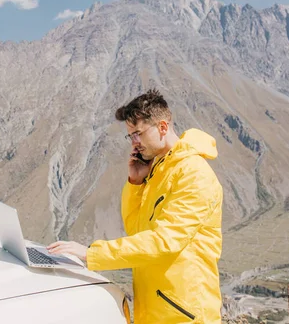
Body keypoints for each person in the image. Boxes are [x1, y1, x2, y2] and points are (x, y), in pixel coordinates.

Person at [47, 89, 223, 323]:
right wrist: (136, 183)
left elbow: (164, 241)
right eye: (130, 136)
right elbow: (136, 229)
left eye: (138, 133)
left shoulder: (193, 174)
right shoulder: (160, 169)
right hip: (155, 309)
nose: (134, 143)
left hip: (185, 314)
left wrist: (91, 254)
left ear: (162, 127)